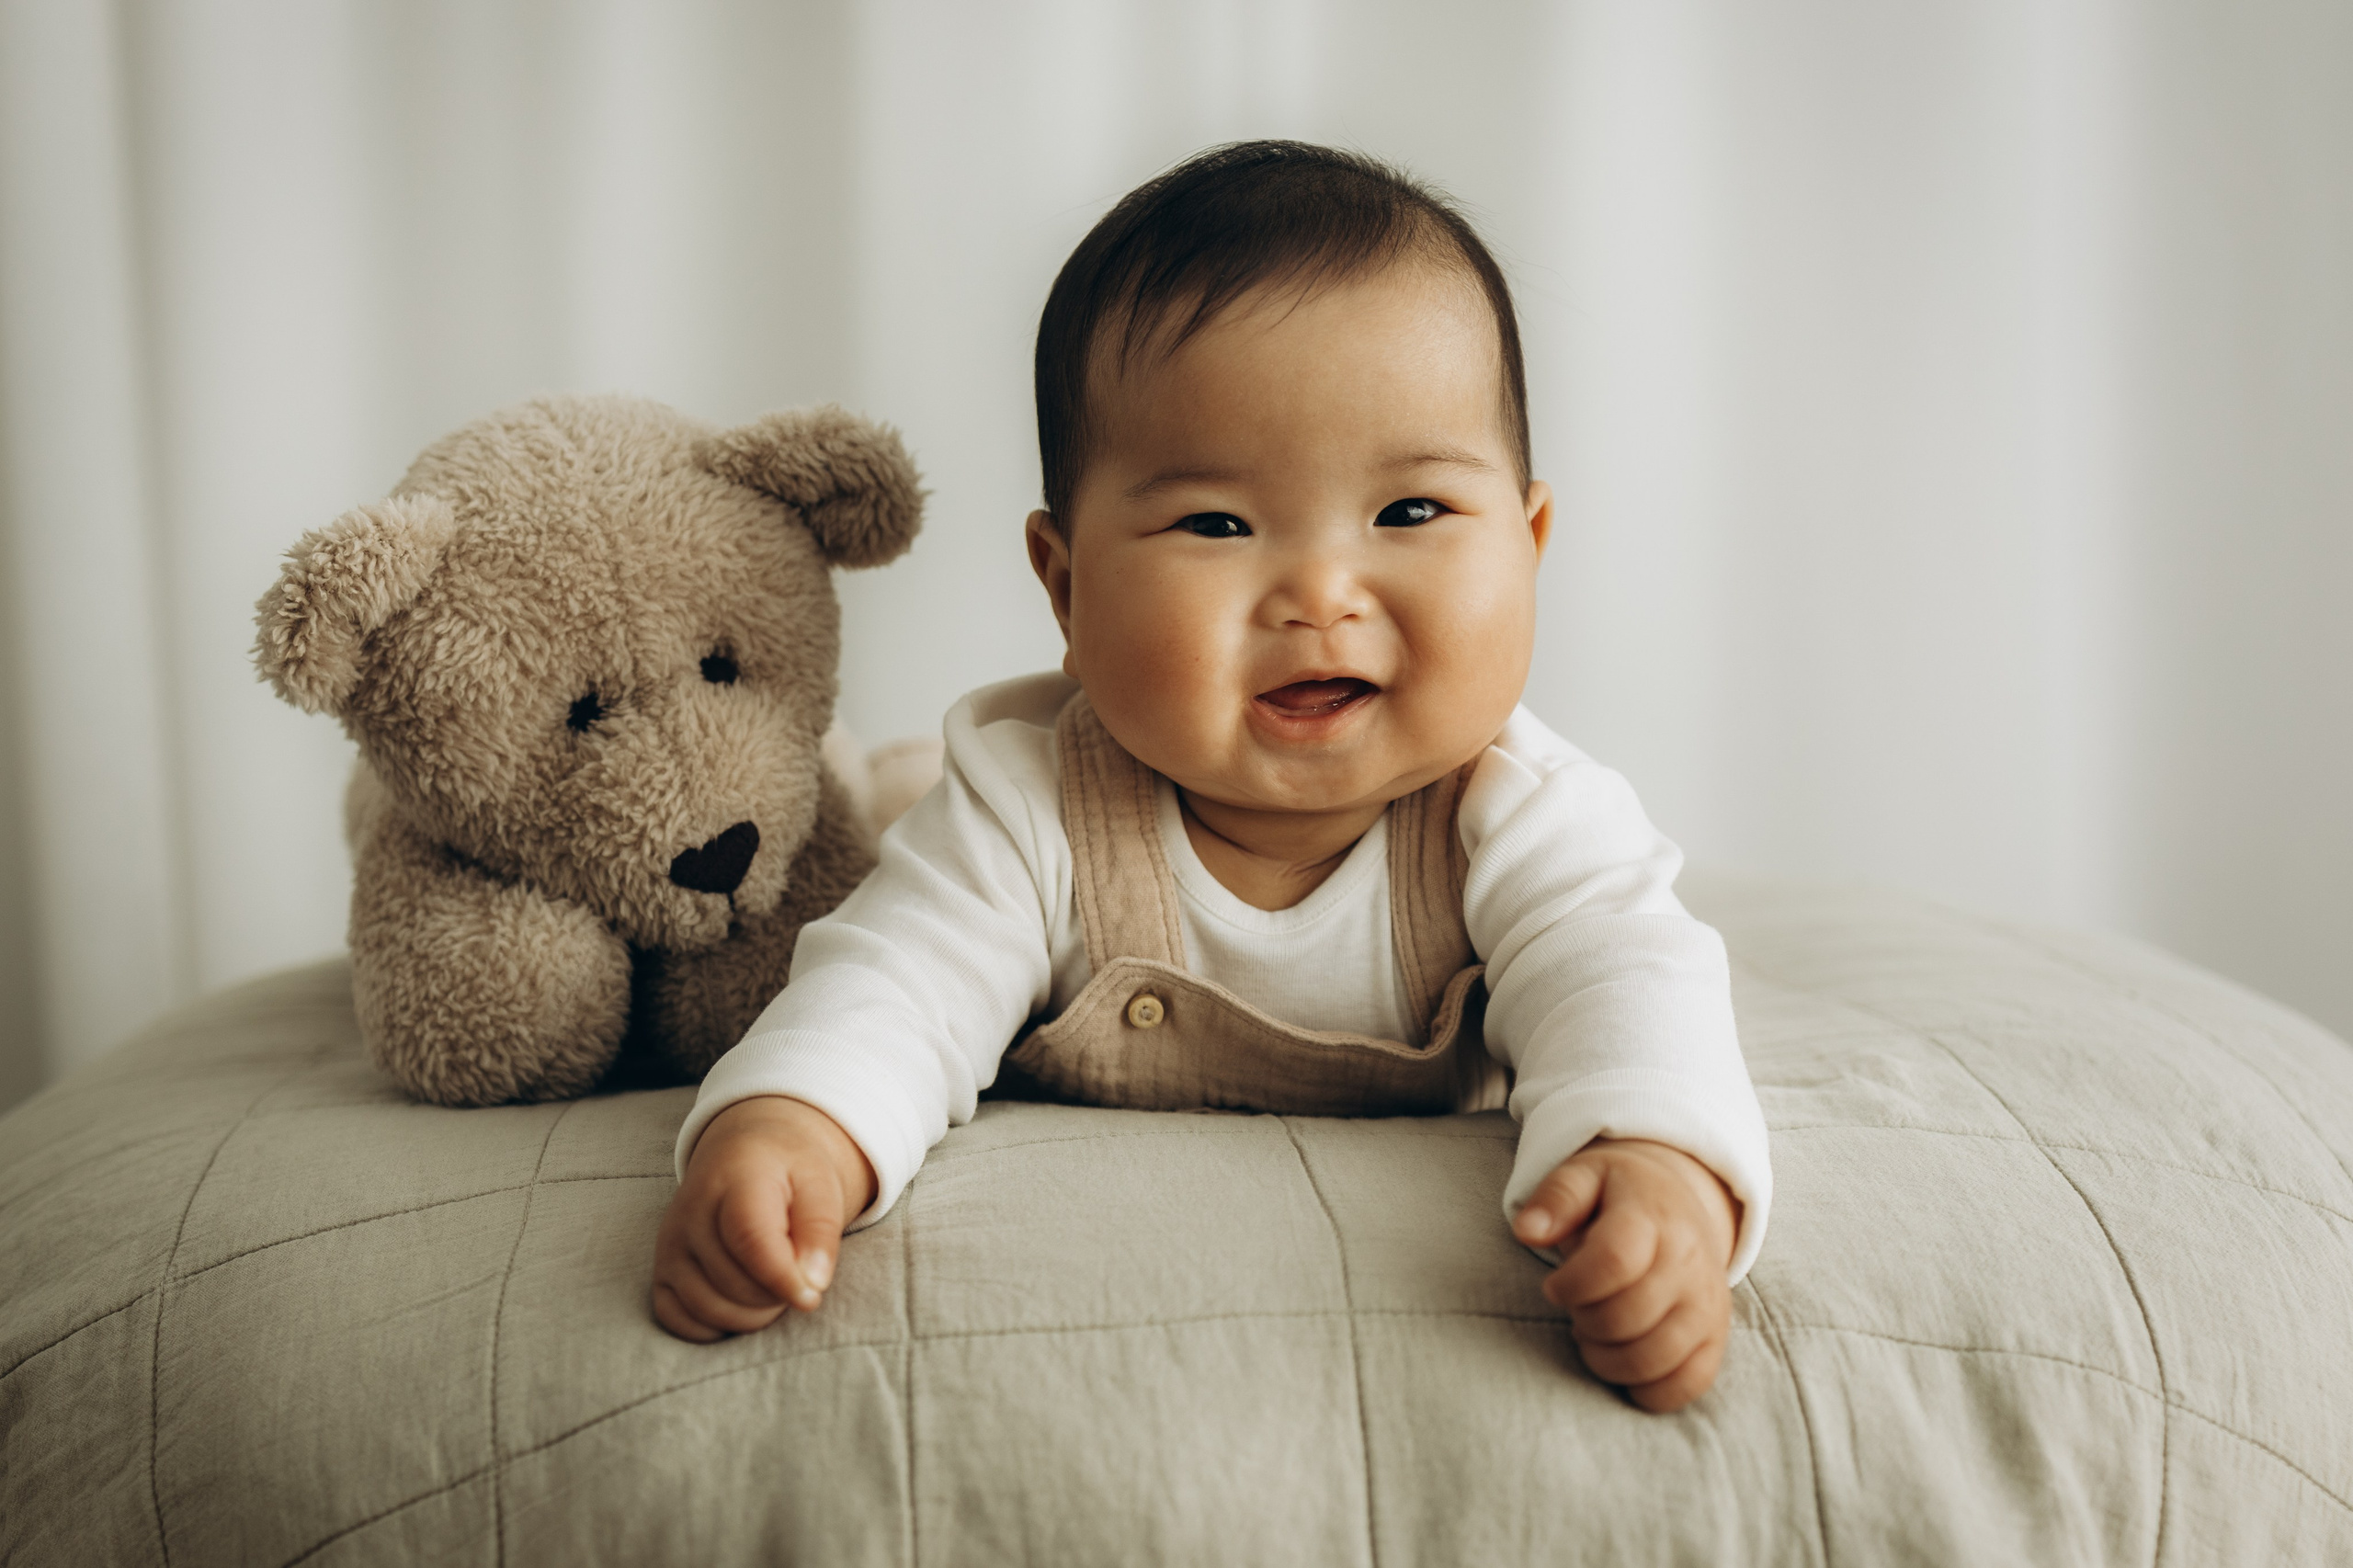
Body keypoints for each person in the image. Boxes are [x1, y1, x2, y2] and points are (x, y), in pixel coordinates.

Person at [649, 141, 1771, 1413]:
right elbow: (898, 986)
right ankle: (884, 785)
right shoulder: (1028, 803)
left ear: (1531, 540)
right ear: (1066, 587)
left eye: (1410, 513)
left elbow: (1627, 982)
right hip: (972, 827)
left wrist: (1662, 1169)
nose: (1321, 595)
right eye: (1217, 524)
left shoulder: (1521, 811)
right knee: (905, 832)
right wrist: (795, 1128)